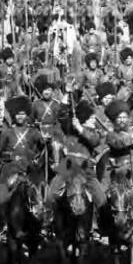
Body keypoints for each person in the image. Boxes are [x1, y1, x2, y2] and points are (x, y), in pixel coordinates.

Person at [43, 101, 106, 236]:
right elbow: (61, 114)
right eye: (91, 117)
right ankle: (48, 220)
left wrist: (81, 129)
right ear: (84, 118)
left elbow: (94, 141)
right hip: (67, 165)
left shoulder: (94, 133)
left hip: (85, 168)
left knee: (101, 198)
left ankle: (98, 226)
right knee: (51, 194)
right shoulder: (70, 128)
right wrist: (66, 95)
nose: (94, 119)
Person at [0, 96, 45, 206]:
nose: (20, 117)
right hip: (11, 169)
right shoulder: (7, 133)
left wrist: (37, 160)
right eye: (17, 114)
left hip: (29, 169)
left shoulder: (34, 132)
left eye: (22, 114)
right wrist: (11, 156)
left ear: (27, 114)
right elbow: (0, 153)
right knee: (2, 198)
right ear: (13, 115)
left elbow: (43, 150)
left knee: (40, 190)